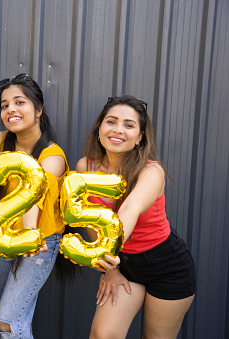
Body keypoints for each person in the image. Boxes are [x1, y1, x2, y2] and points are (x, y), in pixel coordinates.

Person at [76, 95, 196, 339]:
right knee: (103, 334)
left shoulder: (151, 171)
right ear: (100, 128)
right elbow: (91, 221)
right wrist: (109, 269)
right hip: (123, 265)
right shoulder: (85, 168)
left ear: (140, 137)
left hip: (167, 265)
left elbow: (128, 209)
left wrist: (109, 253)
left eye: (129, 125)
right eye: (111, 121)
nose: (118, 130)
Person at [0, 73, 78, 338]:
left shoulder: (52, 156)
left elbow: (31, 201)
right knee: (7, 317)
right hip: (1, 240)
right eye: (4, 105)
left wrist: (28, 238)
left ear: (38, 110)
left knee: (8, 322)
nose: (11, 109)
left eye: (19, 102)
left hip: (38, 245)